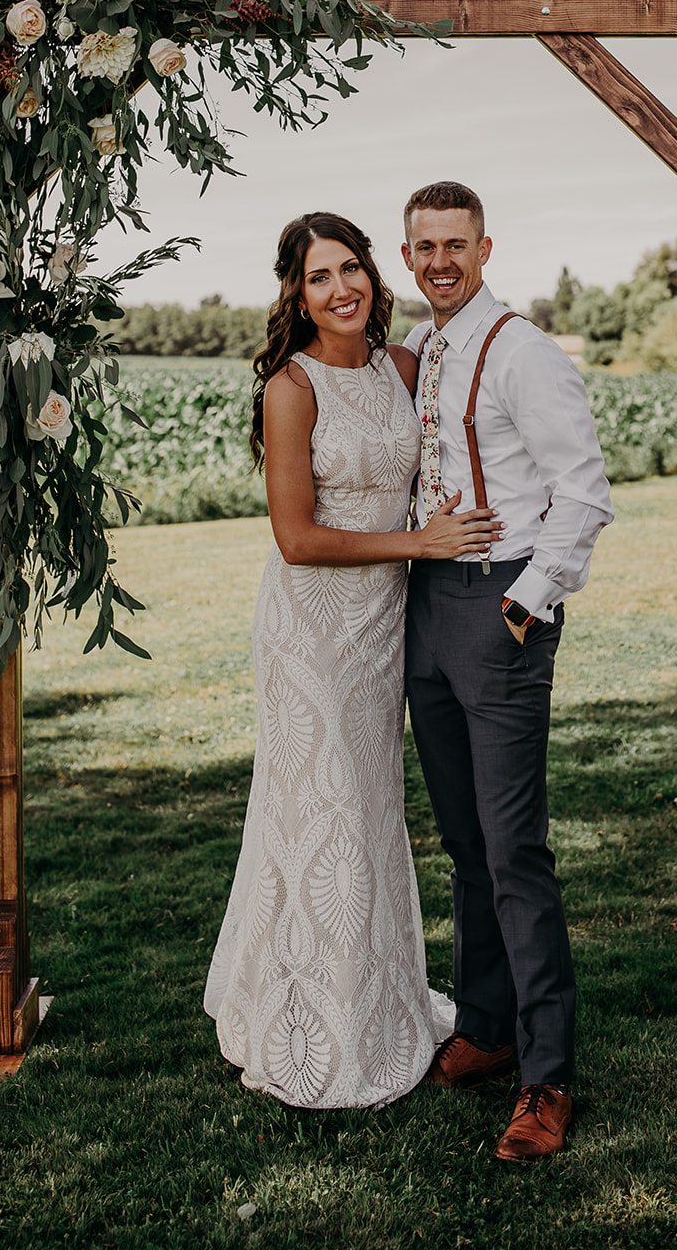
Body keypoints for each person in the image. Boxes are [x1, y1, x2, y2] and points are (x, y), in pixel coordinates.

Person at [204, 211, 502, 1108]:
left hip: (383, 632)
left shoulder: (402, 368)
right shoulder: (291, 389)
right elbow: (295, 539)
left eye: (350, 270)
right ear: (295, 294)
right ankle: (308, 1021)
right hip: (309, 632)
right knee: (317, 811)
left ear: (372, 275)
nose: (340, 289)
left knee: (369, 811)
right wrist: (423, 544)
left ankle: (380, 1001)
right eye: (318, 277)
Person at [400, 181, 614, 1161]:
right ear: (407, 255)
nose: (438, 260)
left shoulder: (522, 350)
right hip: (425, 606)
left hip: (499, 609)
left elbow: (583, 490)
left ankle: (546, 1075)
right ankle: (483, 1027)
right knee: (462, 840)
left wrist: (529, 600)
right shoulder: (423, 347)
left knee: (514, 847)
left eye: (453, 243)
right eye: (422, 246)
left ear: (484, 247)